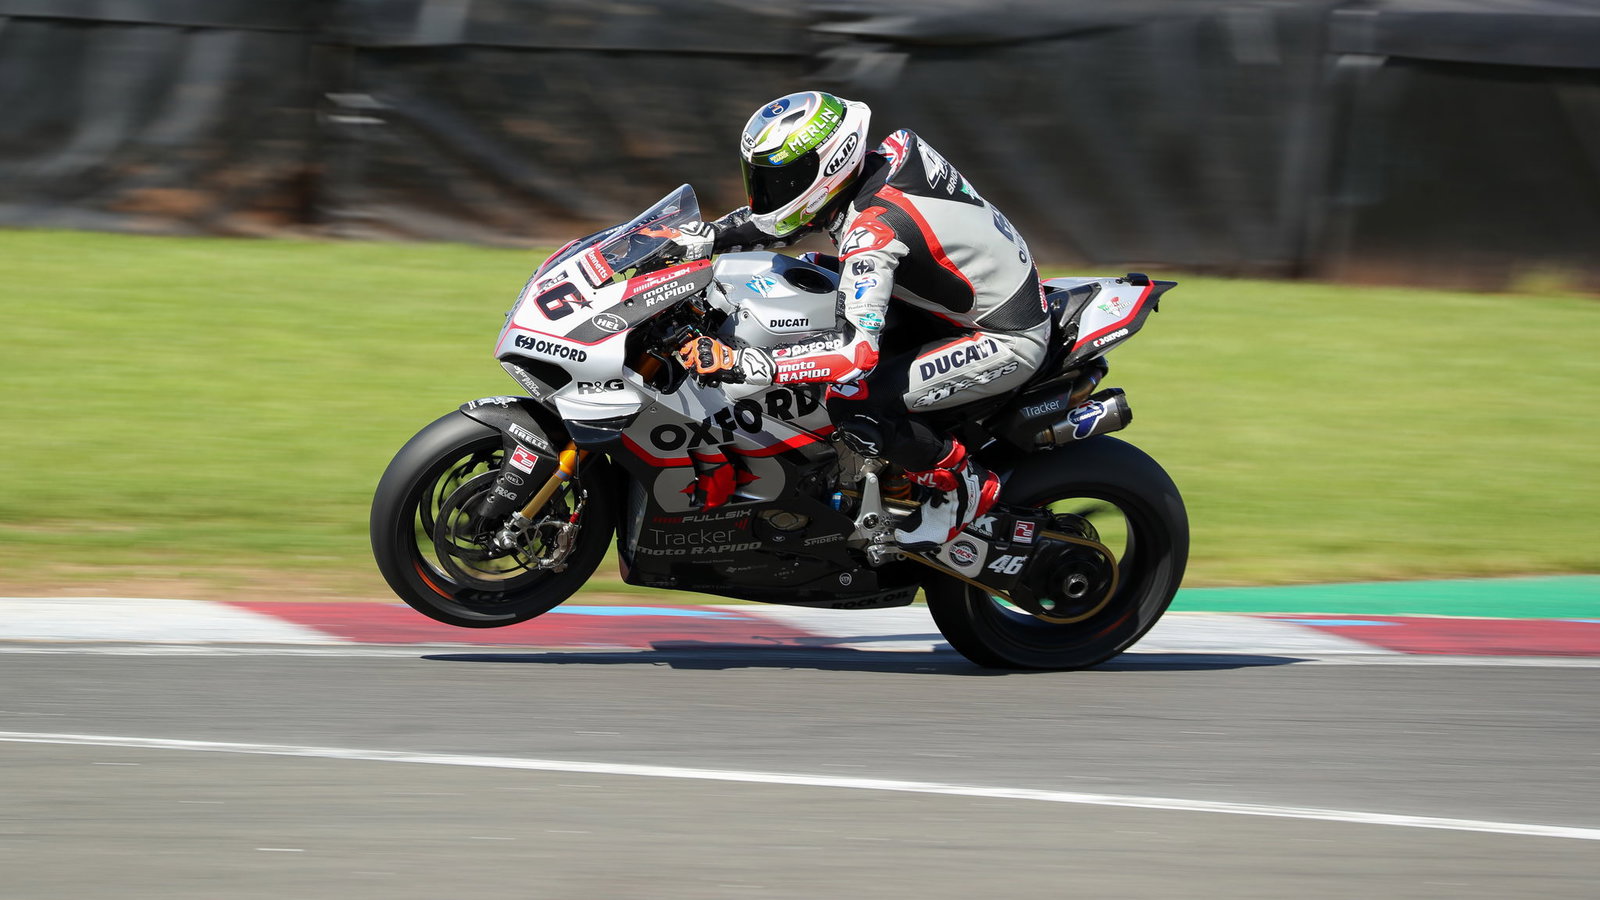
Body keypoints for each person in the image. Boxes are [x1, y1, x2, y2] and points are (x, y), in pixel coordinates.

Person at [665, 90, 1050, 549]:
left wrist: (750, 363)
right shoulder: (878, 162)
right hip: (946, 300)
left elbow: (856, 353)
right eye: (763, 178)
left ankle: (961, 484)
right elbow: (782, 221)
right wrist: (701, 239)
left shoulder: (873, 232)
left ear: (832, 164)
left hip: (1003, 335)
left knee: (853, 399)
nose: (771, 193)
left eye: (785, 180)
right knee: (802, 281)